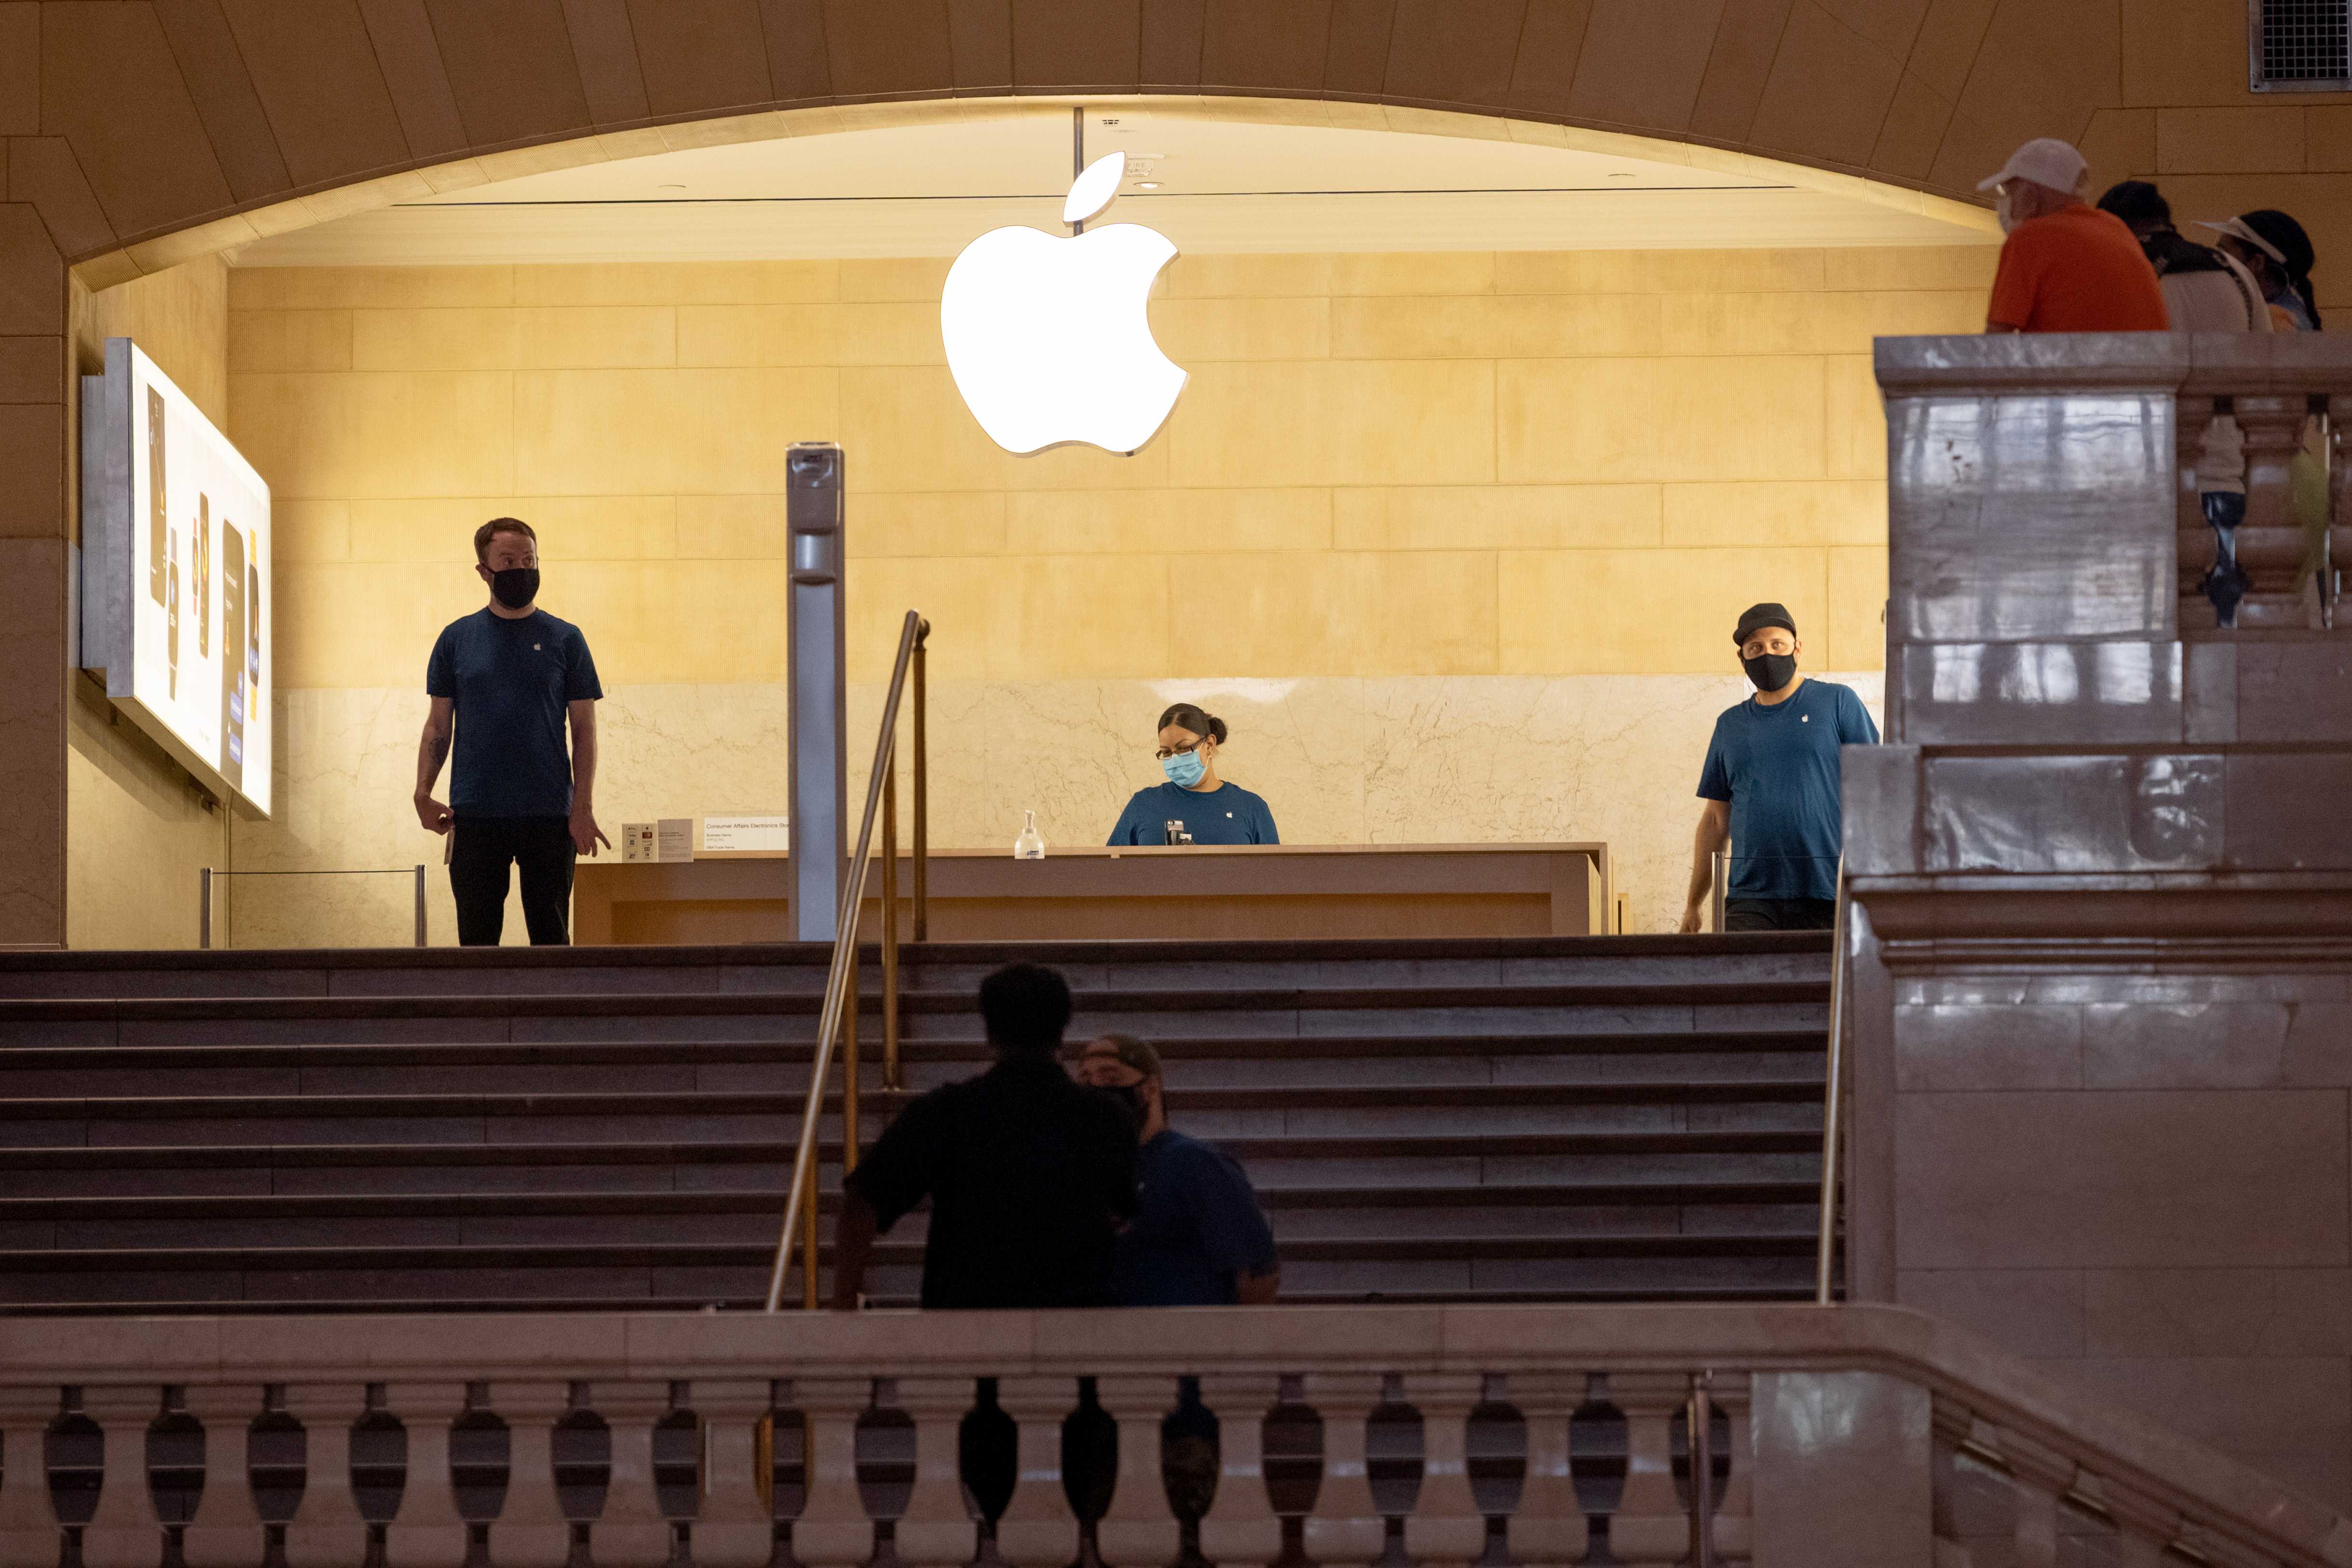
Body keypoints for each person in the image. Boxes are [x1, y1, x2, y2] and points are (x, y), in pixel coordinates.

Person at [832, 963, 1138, 1309]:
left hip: (967, 1324)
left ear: (989, 1031)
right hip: (1074, 1325)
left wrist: (844, 1303)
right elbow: (1124, 1210)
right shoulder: (1105, 1116)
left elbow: (862, 1200)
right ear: (1063, 1029)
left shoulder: (947, 1113)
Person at [415, 518, 608, 946]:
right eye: (508, 561)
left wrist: (583, 807)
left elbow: (585, 730)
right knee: (478, 947)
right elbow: (437, 725)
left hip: (550, 815)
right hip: (476, 813)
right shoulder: (456, 639)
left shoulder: (567, 639)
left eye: (529, 560)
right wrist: (422, 793)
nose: (521, 569)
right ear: (484, 570)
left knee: (553, 941)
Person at [1679, 604, 1879, 934]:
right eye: (1755, 648)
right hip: (1750, 899)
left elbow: (1878, 791)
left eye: (1777, 644)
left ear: (1797, 649)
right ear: (1742, 659)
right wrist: (1693, 904)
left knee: (1823, 988)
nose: (1767, 654)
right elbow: (1716, 820)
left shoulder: (1839, 703)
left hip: (1829, 893)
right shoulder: (1729, 725)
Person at [1076, 1033, 1280, 1306]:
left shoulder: (1194, 1164)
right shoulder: (1087, 1173)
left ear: (1150, 1088)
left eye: (1111, 1078)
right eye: (1085, 1080)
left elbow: (1260, 1276)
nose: (1095, 1089)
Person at [1977, 138, 2168, 334]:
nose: (2006, 202)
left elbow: (1996, 344)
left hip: (2073, 364)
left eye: (2008, 192)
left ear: (2031, 194)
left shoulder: (2030, 238)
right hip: (2148, 362)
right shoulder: (2115, 228)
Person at [2095, 181, 2270, 332]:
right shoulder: (2234, 267)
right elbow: (2265, 350)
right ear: (2167, 221)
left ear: (2113, 227)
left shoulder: (2122, 271)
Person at [1107, 702, 1278, 846]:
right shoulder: (1144, 805)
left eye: (1183, 749)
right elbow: (1110, 870)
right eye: (1166, 753)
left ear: (1210, 744)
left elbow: (1274, 876)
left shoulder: (1251, 808)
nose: (1174, 759)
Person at [2202, 210, 2323, 331]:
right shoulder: (2281, 310)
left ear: (2257, 262)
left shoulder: (2276, 321)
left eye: (2224, 254)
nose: (2217, 261)